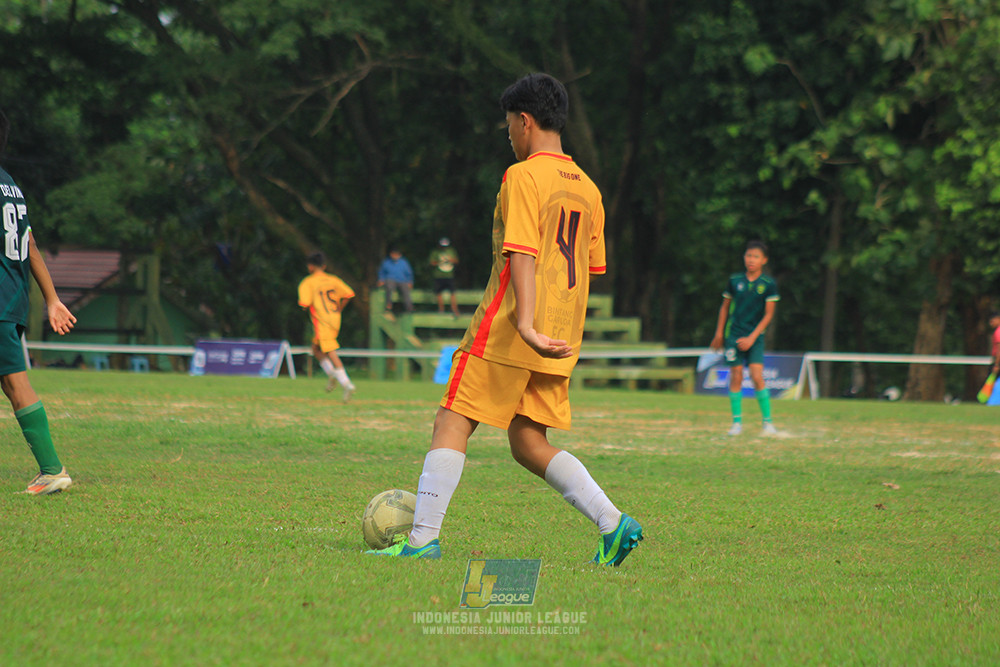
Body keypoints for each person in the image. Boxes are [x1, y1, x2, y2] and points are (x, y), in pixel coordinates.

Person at [367, 73, 642, 565]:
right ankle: (612, 521)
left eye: (508, 126)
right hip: (561, 336)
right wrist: (550, 330)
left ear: (524, 121)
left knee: (452, 418)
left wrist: (527, 326)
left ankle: (422, 540)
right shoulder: (591, 190)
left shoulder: (523, 176)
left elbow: (522, 253)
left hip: (514, 327)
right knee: (526, 440)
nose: (509, 135)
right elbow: (588, 269)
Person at [0, 109, 77, 495]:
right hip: (12, 298)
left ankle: (52, 469)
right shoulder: (10, 185)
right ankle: (50, 468)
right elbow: (28, 243)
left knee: (16, 382)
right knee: (12, 384)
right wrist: (51, 299)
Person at [710, 240, 780, 436]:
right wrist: (719, 333)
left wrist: (751, 337)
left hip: (755, 338)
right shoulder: (734, 281)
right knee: (736, 376)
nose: (751, 260)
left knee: (757, 377)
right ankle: (736, 424)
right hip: (734, 335)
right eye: (749, 256)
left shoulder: (768, 284)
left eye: (756, 257)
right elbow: (724, 307)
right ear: (744, 257)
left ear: (764, 260)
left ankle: (768, 424)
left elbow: (768, 315)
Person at [297, 252, 356, 402]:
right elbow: (349, 294)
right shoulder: (333, 280)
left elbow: (304, 304)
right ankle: (331, 374)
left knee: (329, 351)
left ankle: (346, 383)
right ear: (324, 266)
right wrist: (339, 308)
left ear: (310, 266)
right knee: (316, 349)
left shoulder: (308, 282)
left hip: (321, 320)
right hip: (335, 318)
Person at [376, 246, 413, 317]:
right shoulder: (386, 262)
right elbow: (382, 272)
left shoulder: (404, 263)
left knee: (406, 291)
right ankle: (388, 305)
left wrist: (410, 281)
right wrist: (381, 280)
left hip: (402, 280)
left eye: (397, 254)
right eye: (393, 254)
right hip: (390, 279)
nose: (395, 256)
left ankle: (409, 308)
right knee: (389, 287)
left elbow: (409, 273)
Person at [429, 237, 460, 316]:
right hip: (439, 275)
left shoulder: (451, 251)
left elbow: (456, 261)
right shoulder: (435, 252)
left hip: (449, 275)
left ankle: (454, 309)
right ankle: (441, 309)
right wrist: (439, 262)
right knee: (438, 293)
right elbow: (431, 262)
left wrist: (450, 260)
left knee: (452, 292)